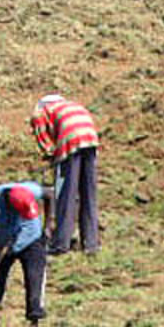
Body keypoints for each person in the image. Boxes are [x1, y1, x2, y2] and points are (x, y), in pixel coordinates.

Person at [0, 181, 53, 327]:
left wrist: (47, 227)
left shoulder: (31, 191)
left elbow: (50, 195)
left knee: (34, 278)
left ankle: (34, 325)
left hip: (31, 239)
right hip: (2, 241)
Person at [29, 94, 99, 255]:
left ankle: (60, 244)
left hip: (70, 139)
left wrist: (50, 155)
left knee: (65, 194)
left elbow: (43, 139)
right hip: (90, 138)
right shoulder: (73, 105)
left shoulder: (42, 111)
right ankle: (91, 243)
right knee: (88, 194)